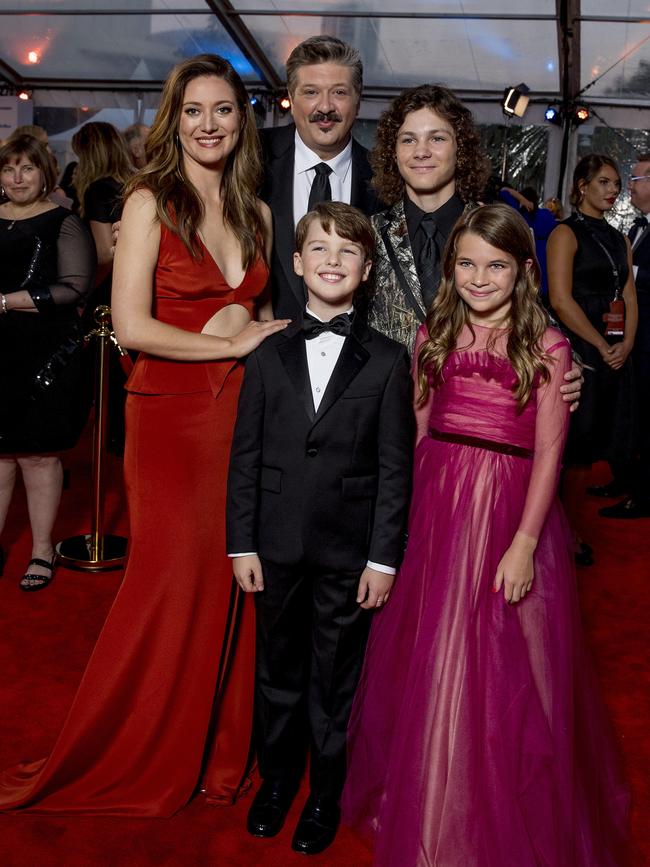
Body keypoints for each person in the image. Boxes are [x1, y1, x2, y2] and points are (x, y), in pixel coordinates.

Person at [0, 54, 288, 816]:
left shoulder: (257, 213)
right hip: (169, 416)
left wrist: (263, 345)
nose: (208, 124)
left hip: (240, 418)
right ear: (173, 118)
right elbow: (129, 326)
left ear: (242, 119)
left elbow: (256, 320)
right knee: (168, 581)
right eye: (193, 110)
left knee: (233, 576)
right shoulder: (148, 202)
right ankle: (141, 745)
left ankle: (215, 746)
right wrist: (232, 344)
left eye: (223, 109)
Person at [342, 203, 630, 867]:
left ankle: (494, 801)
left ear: (524, 270)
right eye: (467, 263)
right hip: (438, 506)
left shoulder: (548, 345)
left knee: (507, 664)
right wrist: (403, 525)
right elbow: (414, 434)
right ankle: (433, 795)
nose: (479, 277)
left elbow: (552, 454)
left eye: (495, 265)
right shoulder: (433, 333)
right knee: (434, 650)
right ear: (450, 269)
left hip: (507, 509)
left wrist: (527, 541)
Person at [227, 201, 413, 855]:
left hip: (348, 548)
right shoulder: (265, 354)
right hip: (273, 544)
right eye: (320, 249)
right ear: (299, 263)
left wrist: (383, 559)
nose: (333, 260)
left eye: (348, 251)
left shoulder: (390, 361)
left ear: (366, 271)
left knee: (335, 677)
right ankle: (275, 783)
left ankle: (324, 793)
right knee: (276, 670)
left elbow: (396, 470)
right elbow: (244, 456)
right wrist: (241, 541)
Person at [0, 134, 95, 590]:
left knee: (38, 456)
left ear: (45, 173)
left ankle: (41, 550)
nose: (17, 177)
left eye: (27, 168)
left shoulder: (63, 221)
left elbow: (75, 287)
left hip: (44, 353)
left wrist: (6, 301)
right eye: (8, 169)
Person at [547, 155, 637, 546]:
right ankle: (559, 532)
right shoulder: (564, 233)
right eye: (603, 182)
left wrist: (627, 343)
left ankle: (573, 529)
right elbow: (560, 300)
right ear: (582, 185)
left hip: (615, 349)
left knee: (599, 442)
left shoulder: (619, 237)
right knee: (570, 445)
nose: (613, 190)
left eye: (616, 184)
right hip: (579, 349)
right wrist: (602, 345)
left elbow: (630, 294)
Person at [260, 35, 383, 321]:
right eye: (311, 92)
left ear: (358, 99)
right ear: (291, 97)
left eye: (339, 93)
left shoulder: (384, 178)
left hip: (356, 356)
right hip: (265, 355)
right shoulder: (251, 158)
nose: (325, 107)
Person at [366, 84, 488, 352]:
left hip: (469, 387)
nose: (421, 151)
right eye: (408, 139)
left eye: (437, 139)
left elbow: (532, 311)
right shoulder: (369, 232)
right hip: (390, 392)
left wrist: (564, 357)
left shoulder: (492, 230)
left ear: (461, 148)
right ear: (393, 152)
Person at [72, 120, 135, 452]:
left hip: (105, 296)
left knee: (107, 386)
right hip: (128, 291)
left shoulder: (99, 188)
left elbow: (103, 253)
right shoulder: (129, 183)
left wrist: (80, 294)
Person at [600, 152, 650, 518]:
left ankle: (644, 495)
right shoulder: (634, 229)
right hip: (631, 337)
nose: (628, 186)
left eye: (635, 179)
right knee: (627, 413)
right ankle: (626, 480)